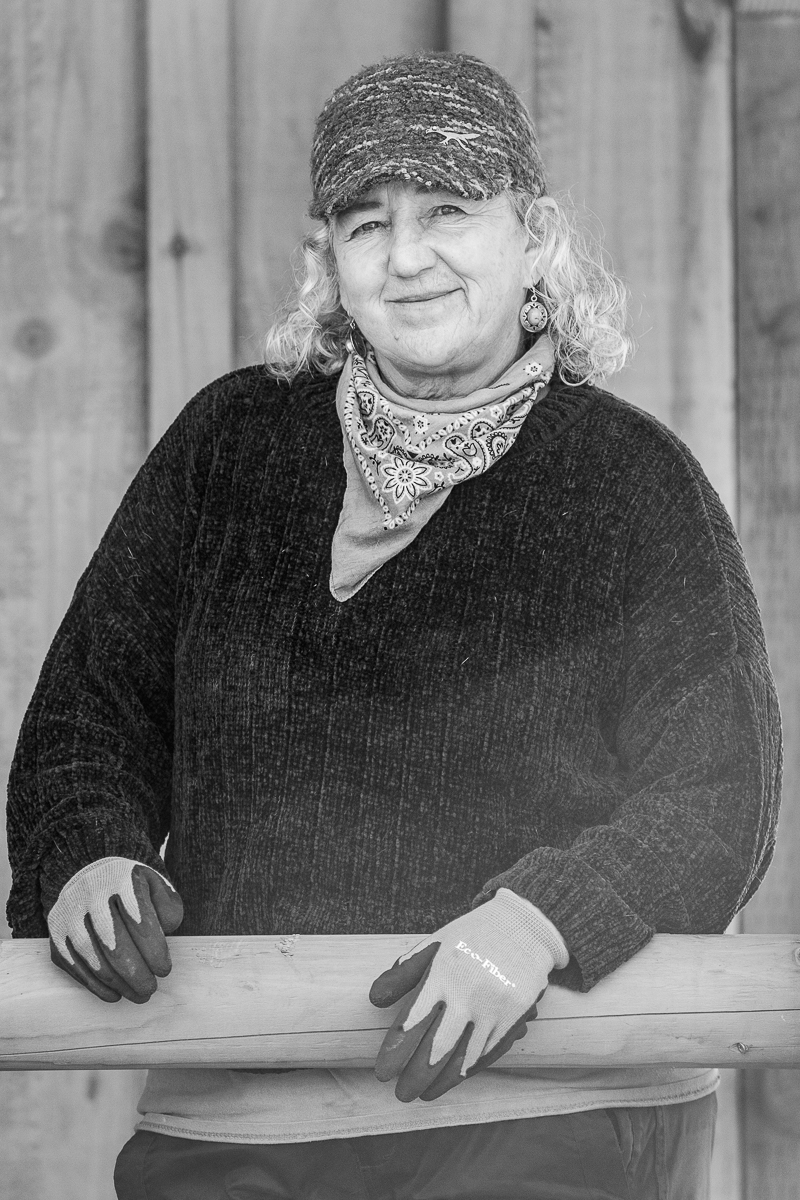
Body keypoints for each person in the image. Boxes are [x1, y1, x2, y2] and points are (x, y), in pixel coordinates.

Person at [6, 51, 781, 1200]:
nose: (405, 256)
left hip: (553, 1104)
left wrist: (545, 920)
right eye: (366, 224)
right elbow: (88, 714)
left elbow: (721, 789)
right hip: (241, 1112)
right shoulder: (229, 447)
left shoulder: (629, 482)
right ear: (330, 263)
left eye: (448, 212)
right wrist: (84, 850)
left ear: (533, 236)